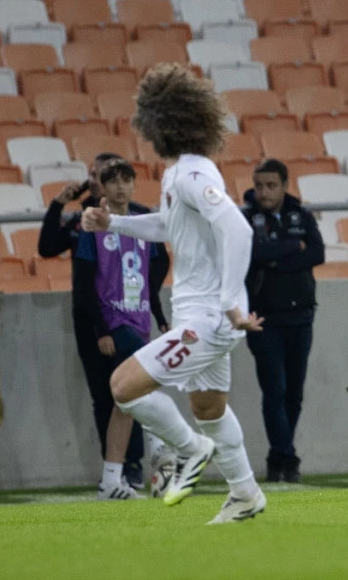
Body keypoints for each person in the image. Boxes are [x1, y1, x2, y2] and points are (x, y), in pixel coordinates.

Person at [82, 63, 266, 523]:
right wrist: (115, 223)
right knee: (208, 407)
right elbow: (170, 226)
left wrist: (228, 302)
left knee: (122, 386)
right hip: (200, 314)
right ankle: (245, 494)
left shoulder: (189, 176)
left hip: (209, 316)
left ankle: (190, 450)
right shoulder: (180, 174)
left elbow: (237, 228)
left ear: (161, 125)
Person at [40, 152, 172, 496]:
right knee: (124, 390)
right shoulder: (87, 220)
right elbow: (60, 258)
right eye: (106, 177)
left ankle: (120, 475)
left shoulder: (143, 216)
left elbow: (158, 262)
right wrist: (101, 329)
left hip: (136, 315)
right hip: (102, 319)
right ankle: (156, 456)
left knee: (126, 397)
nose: (116, 185)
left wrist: (156, 311)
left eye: (122, 177)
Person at [242, 159, 325, 484]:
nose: (264, 192)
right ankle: (287, 458)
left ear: (284, 185)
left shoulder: (300, 215)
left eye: (271, 185)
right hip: (262, 317)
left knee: (294, 393)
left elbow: (317, 254)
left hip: (301, 314)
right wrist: (291, 248)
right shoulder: (246, 217)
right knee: (274, 390)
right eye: (259, 185)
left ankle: (279, 457)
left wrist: (274, 258)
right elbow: (250, 252)